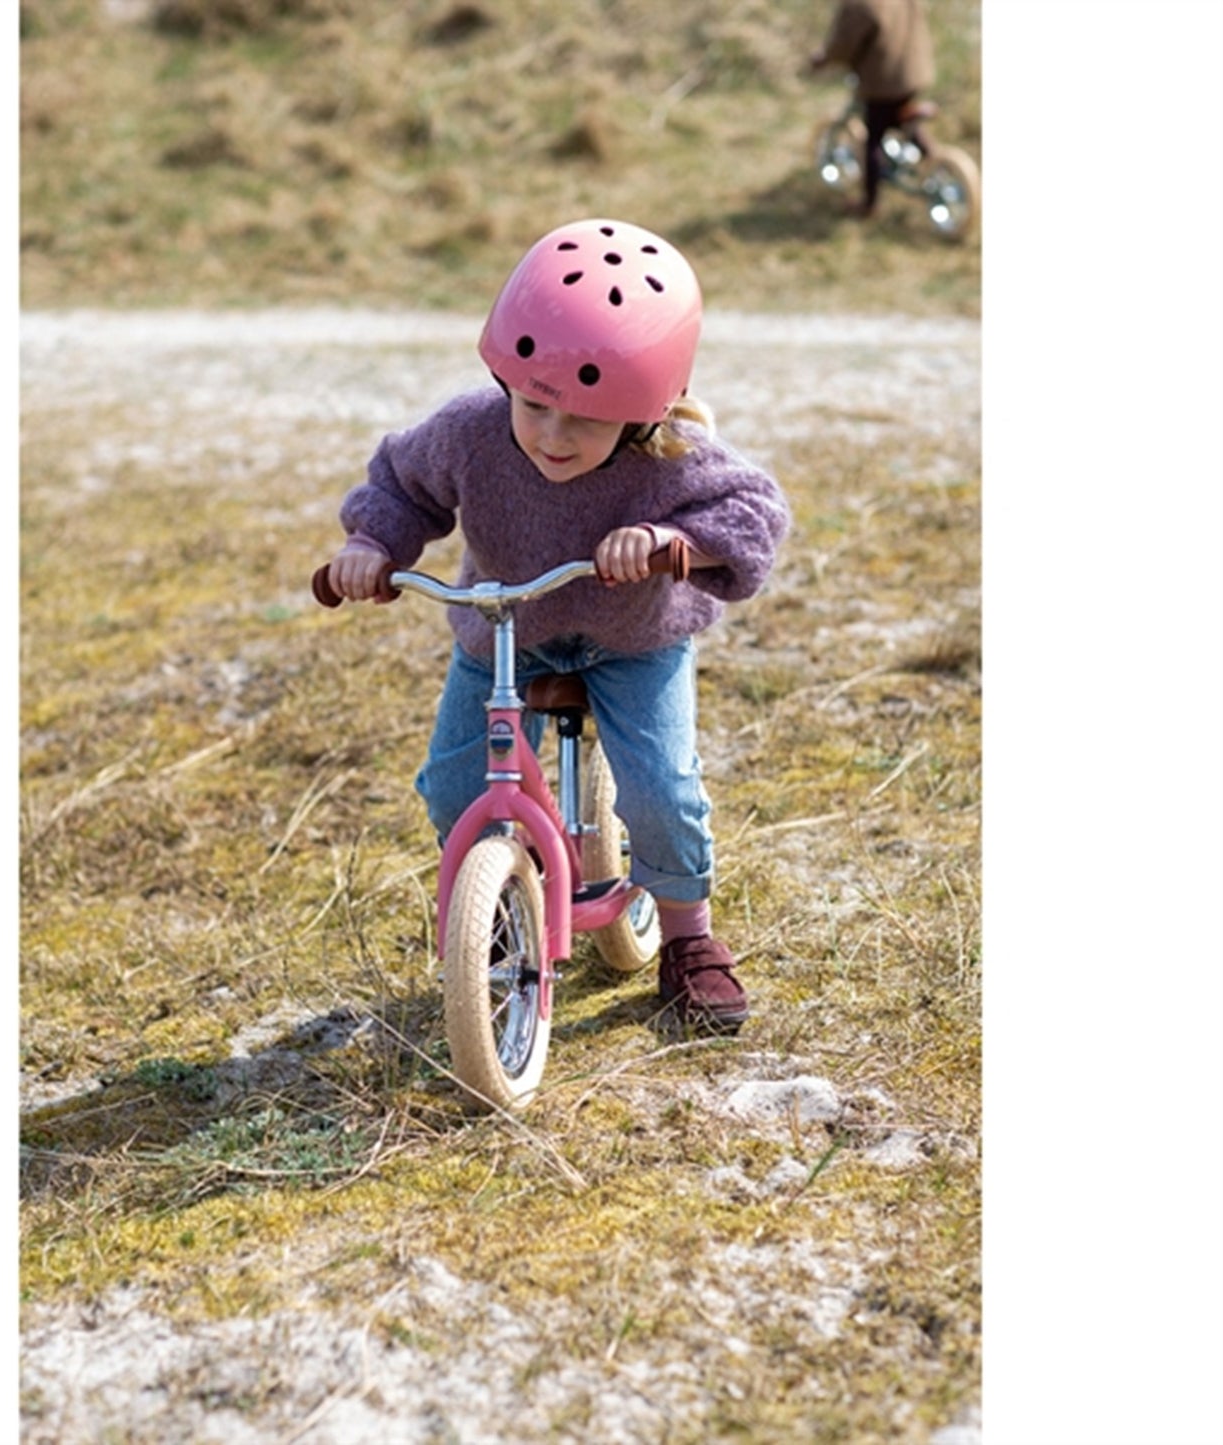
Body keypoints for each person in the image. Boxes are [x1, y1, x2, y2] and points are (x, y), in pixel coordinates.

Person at [322, 218, 790, 1028]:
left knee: (662, 792)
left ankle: (686, 940)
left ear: (644, 414)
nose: (551, 434)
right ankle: (497, 913)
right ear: (508, 379)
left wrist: (670, 542)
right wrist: (372, 542)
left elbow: (755, 511)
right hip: (502, 633)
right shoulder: (469, 431)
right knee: (453, 785)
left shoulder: (669, 454)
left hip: (631, 640)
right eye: (536, 405)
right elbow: (401, 484)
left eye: (587, 417)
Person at [809, 0, 935, 217]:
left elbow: (843, 43)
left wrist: (823, 59)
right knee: (902, 119)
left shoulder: (859, 5)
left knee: (873, 139)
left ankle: (869, 203)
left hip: (883, 82)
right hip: (912, 72)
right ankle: (933, 161)